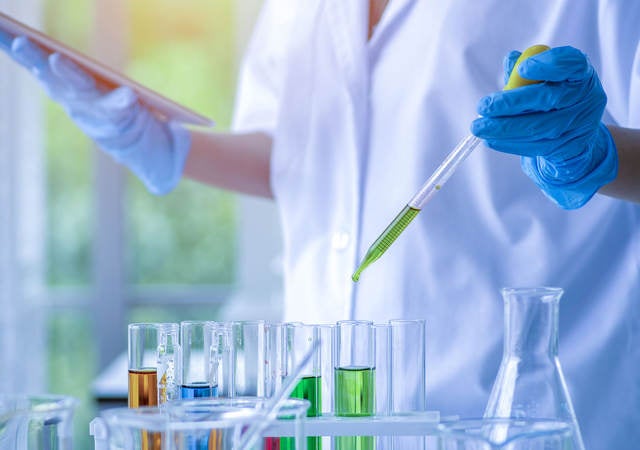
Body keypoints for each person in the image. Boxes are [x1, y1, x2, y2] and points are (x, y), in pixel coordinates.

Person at [2, 0, 640, 447]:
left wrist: (589, 149)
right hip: (331, 417)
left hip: (521, 413)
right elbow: (297, 157)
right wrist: (160, 141)